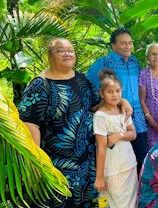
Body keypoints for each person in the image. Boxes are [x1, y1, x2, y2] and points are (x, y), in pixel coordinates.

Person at [20, 38, 100, 207]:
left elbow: (96, 106)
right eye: (61, 51)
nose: (67, 54)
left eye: (70, 50)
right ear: (50, 55)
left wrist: (122, 102)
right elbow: (29, 124)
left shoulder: (82, 80)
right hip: (55, 166)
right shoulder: (40, 85)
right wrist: (36, 161)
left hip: (86, 165)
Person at [87, 28, 149, 171]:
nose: (128, 46)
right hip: (116, 120)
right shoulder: (103, 63)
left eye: (130, 43)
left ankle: (140, 193)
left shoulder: (135, 62)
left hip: (138, 120)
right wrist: (119, 102)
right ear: (113, 45)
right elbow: (90, 87)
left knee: (141, 162)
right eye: (123, 43)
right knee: (120, 162)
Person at [93, 69, 138, 207]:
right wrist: (99, 176)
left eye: (117, 91)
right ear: (102, 94)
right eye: (110, 91)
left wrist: (119, 135)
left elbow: (133, 134)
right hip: (113, 168)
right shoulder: (100, 116)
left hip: (129, 164)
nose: (115, 95)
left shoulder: (122, 111)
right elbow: (101, 147)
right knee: (117, 202)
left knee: (132, 201)